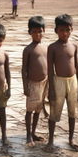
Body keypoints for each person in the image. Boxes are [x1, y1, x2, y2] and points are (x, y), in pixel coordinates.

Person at [46, 14, 78, 151]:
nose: (65, 33)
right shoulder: (52, 47)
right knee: (54, 112)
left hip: (73, 81)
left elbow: (77, 67)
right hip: (58, 81)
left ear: (71, 29)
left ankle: (71, 138)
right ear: (56, 31)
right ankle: (50, 141)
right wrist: (51, 89)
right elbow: (50, 70)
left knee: (72, 111)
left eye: (67, 30)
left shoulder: (74, 46)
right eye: (61, 30)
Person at [22, 16, 48, 146]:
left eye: (40, 31)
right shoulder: (28, 50)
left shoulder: (46, 48)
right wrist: (25, 86)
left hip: (44, 83)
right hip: (32, 83)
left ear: (44, 31)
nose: (37, 34)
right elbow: (24, 70)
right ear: (29, 32)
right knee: (29, 110)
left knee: (38, 109)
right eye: (34, 32)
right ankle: (28, 135)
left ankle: (33, 132)